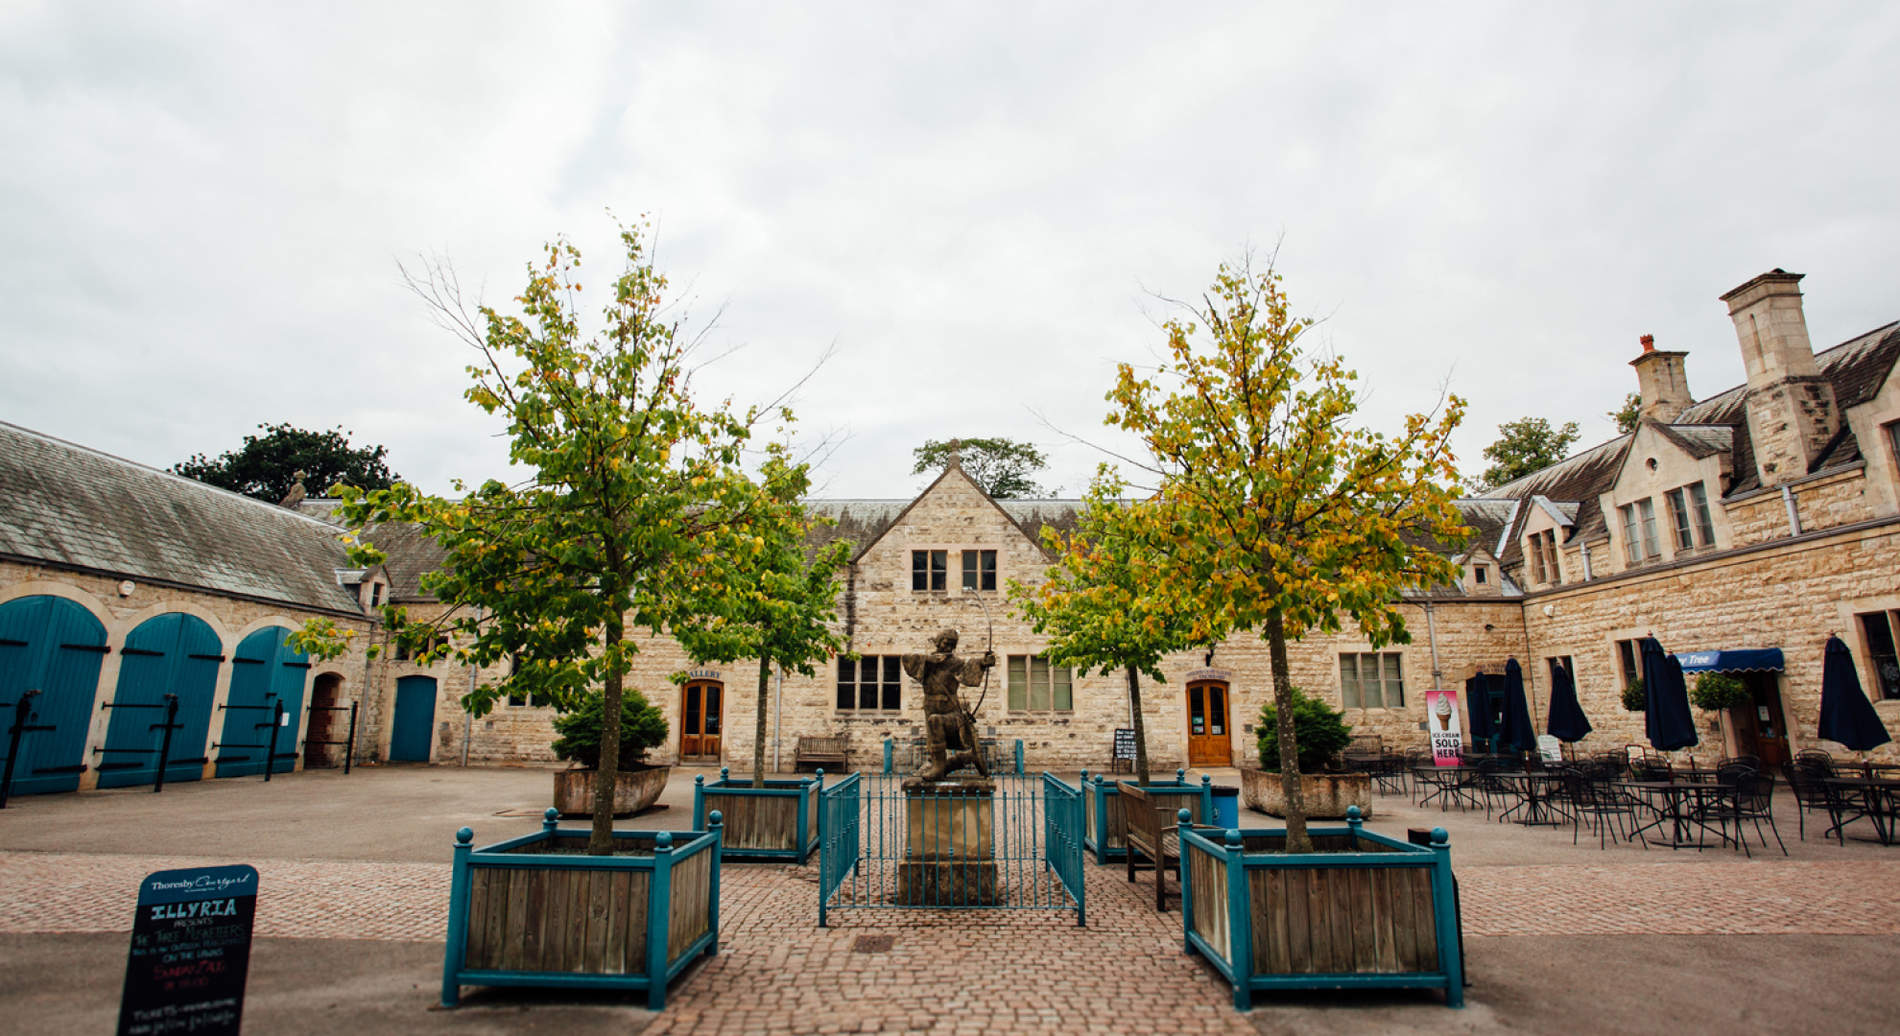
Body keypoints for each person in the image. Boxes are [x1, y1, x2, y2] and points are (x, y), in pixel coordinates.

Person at [901, 628, 995, 781]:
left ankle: (939, 767)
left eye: (952, 645)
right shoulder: (928, 661)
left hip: (950, 709)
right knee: (933, 738)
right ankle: (946, 762)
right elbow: (907, 660)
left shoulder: (955, 663)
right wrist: (929, 660)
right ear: (938, 642)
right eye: (945, 643)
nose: (948, 648)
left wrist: (983, 663)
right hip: (930, 705)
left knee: (936, 722)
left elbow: (968, 671)